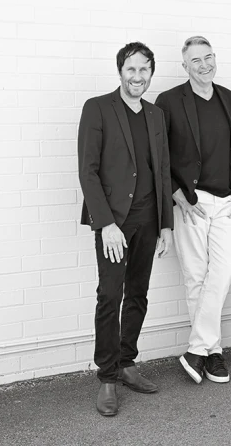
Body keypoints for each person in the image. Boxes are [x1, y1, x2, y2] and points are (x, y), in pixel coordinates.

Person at [77, 41, 174, 417]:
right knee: (109, 295)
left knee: (138, 293)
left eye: (144, 69)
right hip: (114, 223)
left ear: (151, 72)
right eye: (131, 69)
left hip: (148, 219)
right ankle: (107, 377)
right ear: (120, 71)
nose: (138, 76)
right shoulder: (98, 108)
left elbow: (162, 170)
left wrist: (166, 225)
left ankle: (127, 362)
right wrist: (105, 224)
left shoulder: (156, 115)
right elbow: (88, 171)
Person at [155, 36, 231, 385]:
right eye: (196, 60)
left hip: (224, 201)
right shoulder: (168, 101)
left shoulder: (227, 96)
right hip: (191, 202)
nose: (204, 65)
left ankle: (196, 348)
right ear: (185, 66)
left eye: (208, 57)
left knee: (223, 271)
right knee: (196, 277)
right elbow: (159, 155)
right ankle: (214, 352)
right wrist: (176, 194)